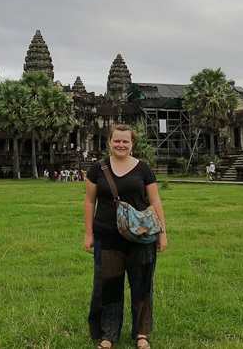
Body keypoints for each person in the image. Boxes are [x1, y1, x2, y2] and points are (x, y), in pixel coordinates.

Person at [84, 124, 168, 349]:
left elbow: (155, 201)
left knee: (142, 285)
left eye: (125, 141)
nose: (121, 145)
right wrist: (89, 234)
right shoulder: (97, 169)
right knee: (109, 285)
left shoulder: (143, 168)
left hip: (142, 237)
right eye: (116, 141)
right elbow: (90, 201)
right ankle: (108, 335)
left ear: (132, 144)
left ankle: (141, 334)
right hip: (107, 236)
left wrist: (162, 233)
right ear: (109, 142)